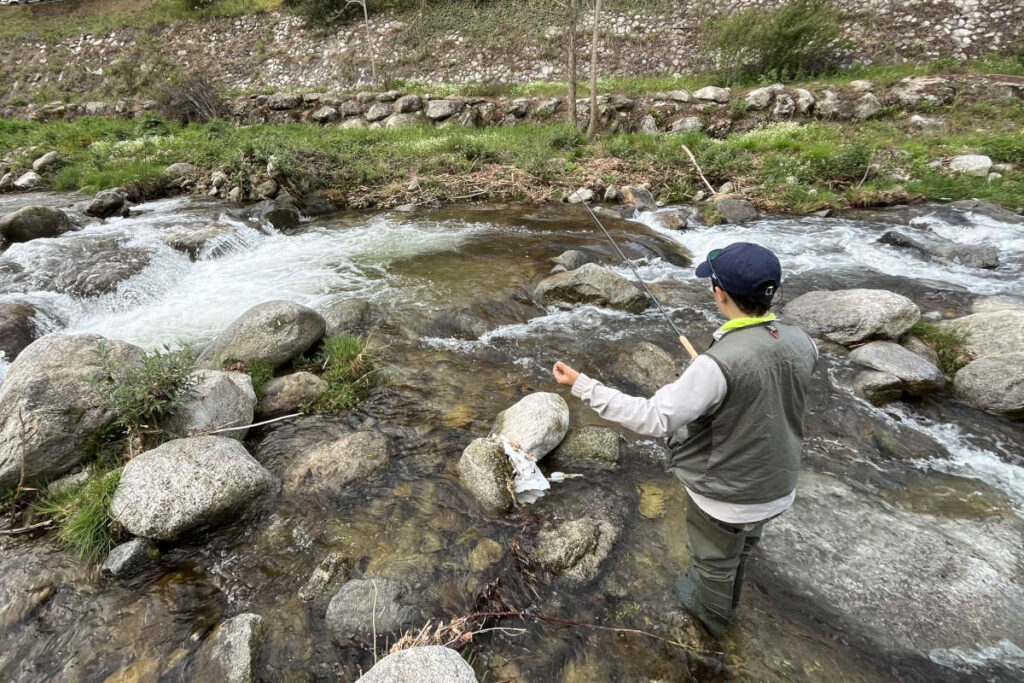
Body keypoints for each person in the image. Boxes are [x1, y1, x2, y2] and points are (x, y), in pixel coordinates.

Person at [552, 242, 817, 639]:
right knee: (740, 551)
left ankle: (711, 627)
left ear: (720, 293)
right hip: (777, 487)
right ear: (771, 292)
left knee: (713, 565)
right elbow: (764, 385)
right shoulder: (801, 340)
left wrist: (583, 386)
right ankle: (727, 593)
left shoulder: (716, 365)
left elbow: (653, 418)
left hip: (728, 496)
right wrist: (710, 378)